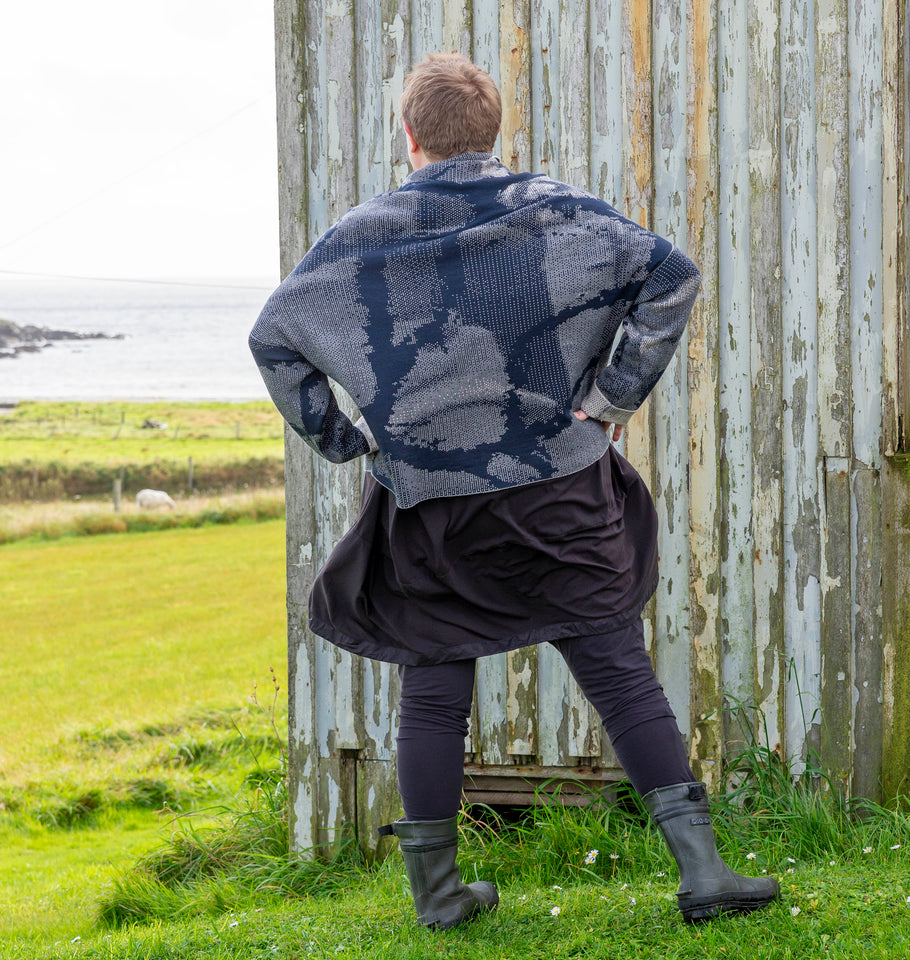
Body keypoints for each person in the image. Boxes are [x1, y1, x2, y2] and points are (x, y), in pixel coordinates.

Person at [250, 52, 779, 930]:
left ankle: (441, 896)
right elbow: (671, 275)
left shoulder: (361, 235)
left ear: (409, 135)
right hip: (559, 494)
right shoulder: (559, 210)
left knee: (434, 686)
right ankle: (705, 874)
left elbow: (276, 340)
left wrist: (345, 441)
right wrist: (611, 402)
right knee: (618, 673)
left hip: (429, 504)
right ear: (492, 132)